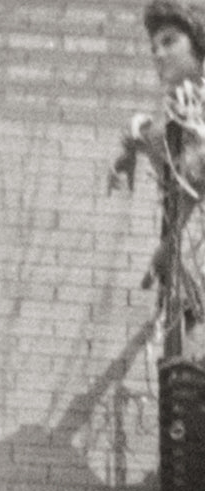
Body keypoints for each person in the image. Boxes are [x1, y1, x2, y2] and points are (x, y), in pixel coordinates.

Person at [109, 0, 205, 358]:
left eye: (169, 42)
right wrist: (129, 146)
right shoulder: (182, 104)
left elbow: (196, 168)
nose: (159, 54)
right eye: (154, 47)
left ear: (196, 43)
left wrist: (168, 247)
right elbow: (171, 150)